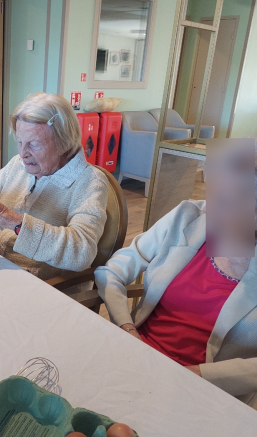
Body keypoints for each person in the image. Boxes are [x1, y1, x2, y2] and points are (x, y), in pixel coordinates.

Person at [95, 138, 257, 407]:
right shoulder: (188, 216)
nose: (209, 208)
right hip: (138, 355)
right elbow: (114, 269)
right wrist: (126, 326)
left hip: (207, 393)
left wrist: (197, 375)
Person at [0, 93, 109, 280]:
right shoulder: (18, 165)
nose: (23, 153)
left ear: (64, 142)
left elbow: (81, 252)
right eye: (20, 142)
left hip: (40, 284)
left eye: (34, 144)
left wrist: (7, 217)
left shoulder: (90, 181)